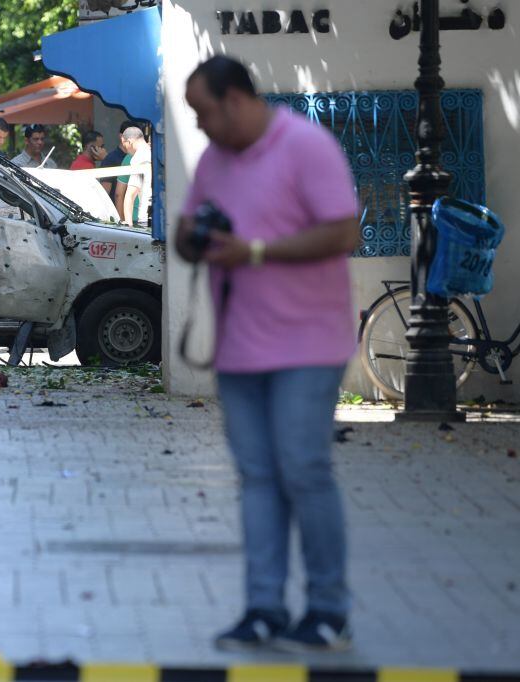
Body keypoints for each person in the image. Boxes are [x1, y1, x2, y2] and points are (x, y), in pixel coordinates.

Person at [176, 55, 361, 653]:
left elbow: (343, 231)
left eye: (203, 112)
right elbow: (184, 235)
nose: (199, 125)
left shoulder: (306, 146)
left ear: (234, 100)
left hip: (308, 343)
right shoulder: (212, 160)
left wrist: (254, 251)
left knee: (304, 471)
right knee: (258, 477)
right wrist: (193, 235)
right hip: (239, 347)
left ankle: (329, 610)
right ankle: (263, 608)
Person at [120, 127, 151, 227]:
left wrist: (129, 224)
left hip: (145, 219)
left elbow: (130, 195)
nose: (125, 149)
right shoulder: (155, 152)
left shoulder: (139, 159)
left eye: (124, 145)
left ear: (129, 142)